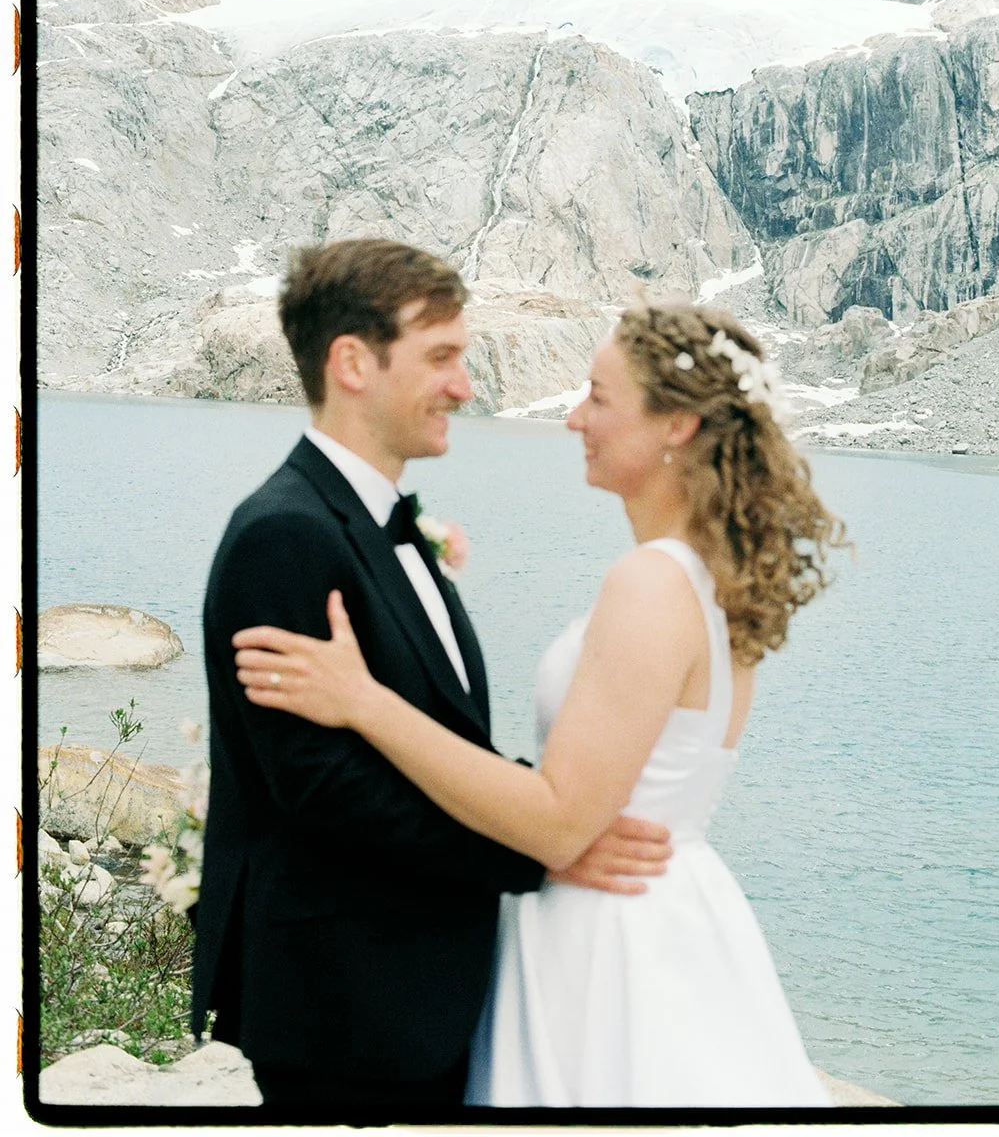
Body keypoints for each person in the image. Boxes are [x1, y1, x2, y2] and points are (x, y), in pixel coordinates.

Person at [234, 298, 849, 1108]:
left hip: (607, 939)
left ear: (676, 424)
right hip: (668, 911)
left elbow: (560, 823)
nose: (574, 418)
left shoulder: (652, 583)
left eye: (599, 397)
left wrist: (363, 701)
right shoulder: (712, 578)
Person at [191, 237, 673, 1113]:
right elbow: (321, 786)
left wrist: (547, 816)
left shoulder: (381, 523)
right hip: (346, 1008)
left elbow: (439, 740)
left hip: (422, 998)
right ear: (352, 364)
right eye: (442, 357)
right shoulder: (283, 536)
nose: (465, 386)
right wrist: (541, 847)